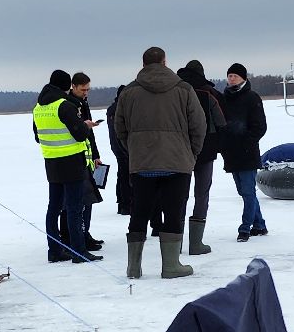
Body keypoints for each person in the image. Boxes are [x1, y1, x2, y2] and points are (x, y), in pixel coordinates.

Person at [111, 46, 205, 279]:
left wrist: (134, 150)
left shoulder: (129, 92)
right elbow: (198, 125)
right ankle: (171, 266)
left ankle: (134, 267)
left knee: (139, 212)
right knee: (174, 212)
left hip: (142, 162)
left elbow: (119, 128)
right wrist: (191, 153)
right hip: (177, 161)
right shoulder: (184, 89)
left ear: (143, 64)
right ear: (165, 62)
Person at [32, 69, 103, 262]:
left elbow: (38, 137)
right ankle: (79, 252)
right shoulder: (64, 106)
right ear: (66, 86)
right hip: (71, 162)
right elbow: (79, 134)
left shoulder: (38, 108)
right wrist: (86, 126)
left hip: (51, 163)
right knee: (74, 208)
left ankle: (54, 251)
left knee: (53, 208)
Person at [175, 59, 226, 255]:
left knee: (179, 195)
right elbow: (221, 121)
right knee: (201, 194)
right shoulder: (209, 93)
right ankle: (196, 244)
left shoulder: (176, 91)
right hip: (206, 150)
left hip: (180, 150)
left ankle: (175, 243)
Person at [219, 63, 268, 241]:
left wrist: (246, 142)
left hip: (247, 153)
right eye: (229, 75)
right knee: (243, 191)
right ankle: (260, 225)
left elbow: (260, 127)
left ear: (243, 78)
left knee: (248, 192)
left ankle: (245, 228)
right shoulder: (224, 98)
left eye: (235, 76)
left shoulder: (252, 98)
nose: (231, 79)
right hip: (231, 153)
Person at [68, 72, 104, 251]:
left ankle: (85, 233)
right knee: (78, 201)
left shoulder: (84, 103)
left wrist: (96, 155)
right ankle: (78, 236)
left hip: (87, 157)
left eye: (88, 89)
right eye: (83, 90)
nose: (86, 93)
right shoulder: (68, 105)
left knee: (88, 199)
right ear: (73, 87)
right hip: (74, 159)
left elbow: (89, 134)